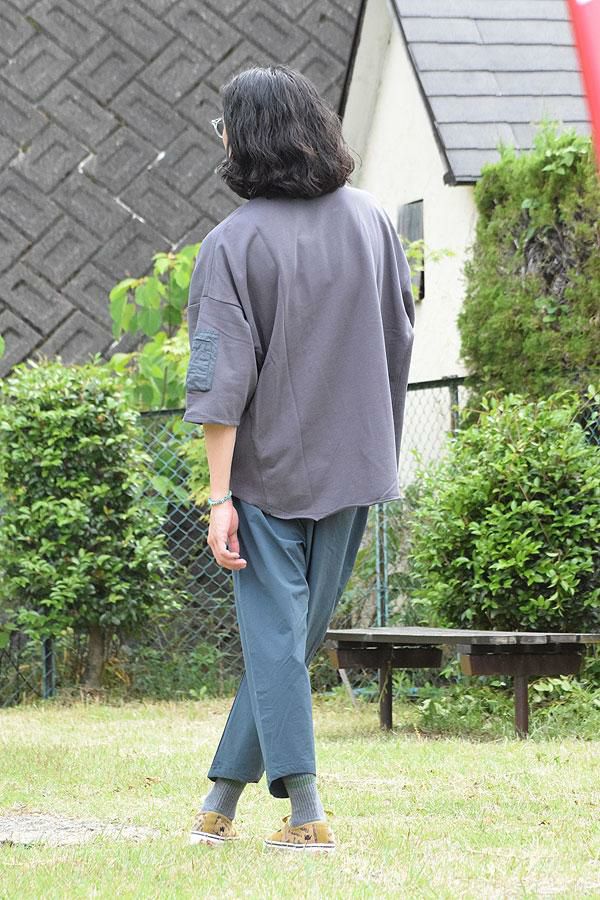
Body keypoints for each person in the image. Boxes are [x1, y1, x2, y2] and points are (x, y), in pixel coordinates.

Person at [184, 64, 415, 853]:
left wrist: (219, 498)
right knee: (285, 642)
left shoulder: (232, 243)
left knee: (276, 641)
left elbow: (218, 381)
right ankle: (220, 801)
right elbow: (399, 334)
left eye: (225, 125)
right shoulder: (374, 221)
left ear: (246, 138)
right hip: (356, 465)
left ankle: (307, 813)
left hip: (266, 476)